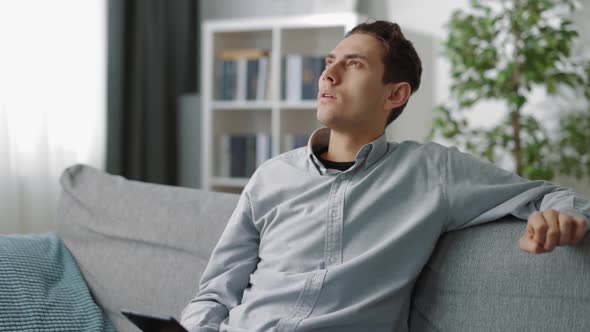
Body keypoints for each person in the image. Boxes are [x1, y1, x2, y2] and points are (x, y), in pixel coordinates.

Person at [180, 20, 590, 332]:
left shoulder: (432, 171)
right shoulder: (270, 177)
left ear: (395, 94)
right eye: (329, 63)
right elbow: (215, 294)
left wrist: (557, 215)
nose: (328, 75)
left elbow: (548, 194)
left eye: (353, 64)